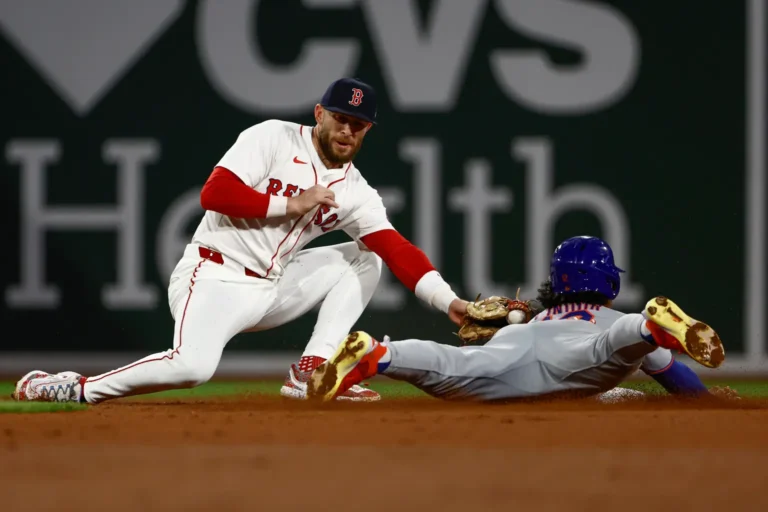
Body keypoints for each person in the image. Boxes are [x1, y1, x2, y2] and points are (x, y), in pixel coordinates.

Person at [11, 78, 468, 404]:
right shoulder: (271, 137)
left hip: (272, 287)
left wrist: (448, 303)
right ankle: (78, 387)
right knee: (193, 369)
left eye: (359, 124)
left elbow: (396, 247)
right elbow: (215, 193)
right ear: (319, 114)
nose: (347, 130)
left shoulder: (355, 191)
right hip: (213, 276)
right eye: (340, 118)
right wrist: (288, 206)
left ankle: (312, 370)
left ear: (369, 130)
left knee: (367, 258)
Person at [306, 236, 726, 402]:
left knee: (452, 363)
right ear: (609, 283)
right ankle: (651, 326)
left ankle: (380, 354)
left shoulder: (536, 316)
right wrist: (706, 401)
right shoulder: (609, 315)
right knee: (616, 342)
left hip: (514, 344)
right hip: (583, 351)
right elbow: (683, 387)